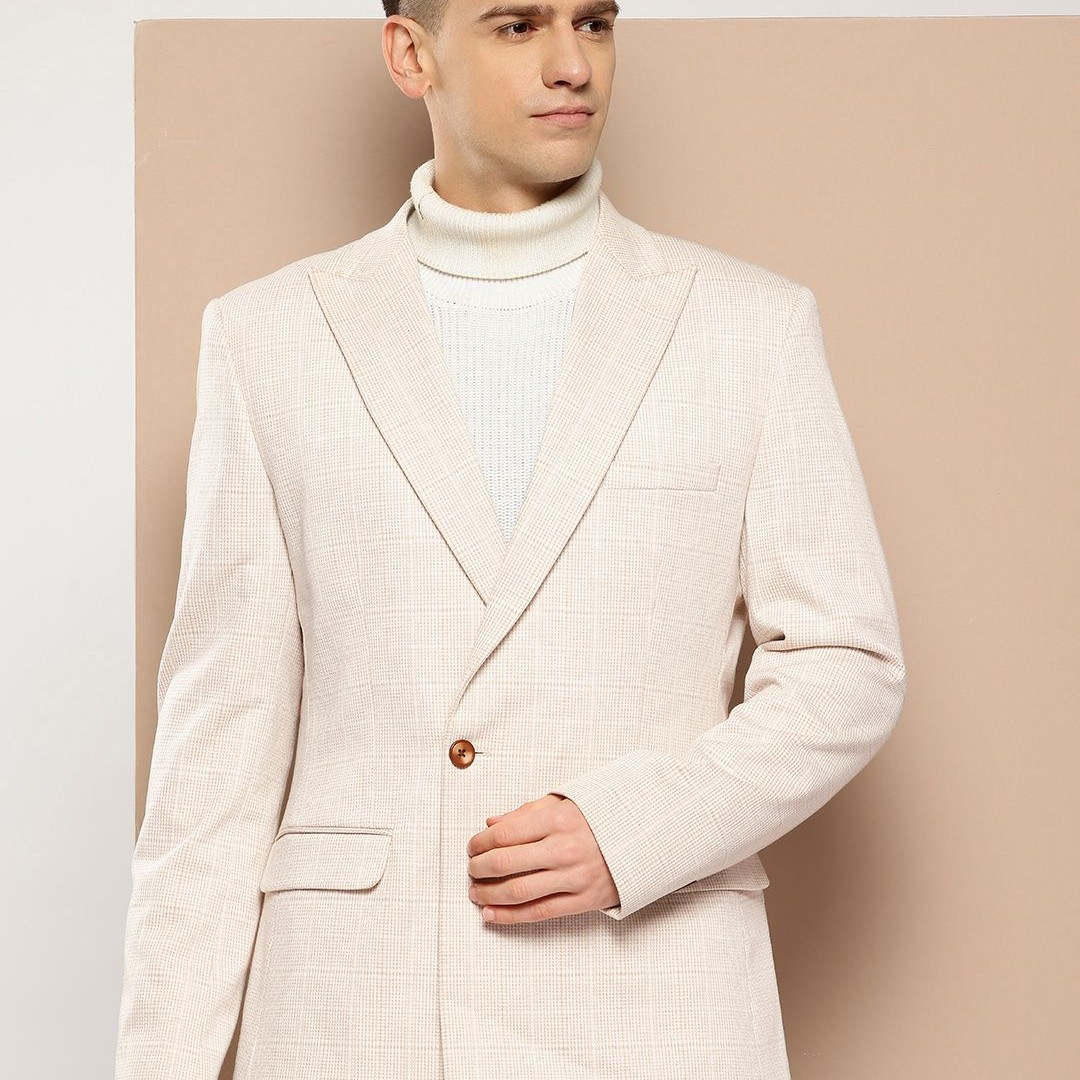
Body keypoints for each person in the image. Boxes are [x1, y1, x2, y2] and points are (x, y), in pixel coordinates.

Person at [114, 3, 907, 1078]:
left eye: (595, 22)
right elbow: (218, 752)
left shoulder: (747, 327)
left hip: (654, 1008)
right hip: (360, 1016)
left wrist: (638, 827)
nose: (573, 64)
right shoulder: (270, 338)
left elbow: (845, 661)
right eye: (519, 26)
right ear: (411, 54)